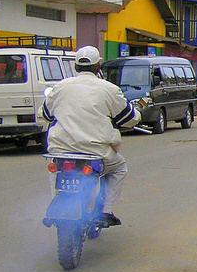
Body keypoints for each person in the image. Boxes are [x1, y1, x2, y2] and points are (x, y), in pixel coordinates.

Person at [40, 46, 141, 227]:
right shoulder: (109, 89)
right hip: (95, 152)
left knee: (55, 169)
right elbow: (130, 118)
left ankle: (53, 201)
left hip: (61, 149)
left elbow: (45, 115)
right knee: (119, 168)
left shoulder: (60, 87)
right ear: (98, 67)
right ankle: (106, 210)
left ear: (76, 67)